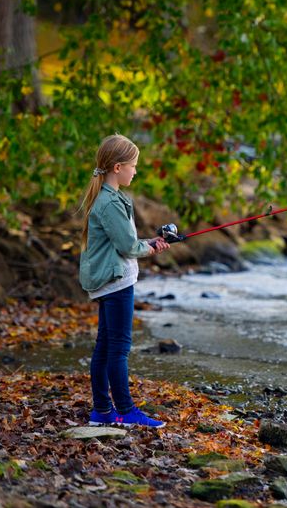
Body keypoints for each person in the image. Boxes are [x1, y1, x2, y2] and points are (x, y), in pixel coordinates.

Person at [78, 134, 170, 428]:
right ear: (117, 167)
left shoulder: (108, 198)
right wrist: (151, 248)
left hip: (110, 281)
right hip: (117, 284)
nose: (135, 171)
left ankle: (102, 412)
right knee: (118, 347)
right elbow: (128, 248)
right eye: (133, 165)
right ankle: (125, 411)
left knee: (105, 346)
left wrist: (151, 242)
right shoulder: (110, 203)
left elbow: (125, 241)